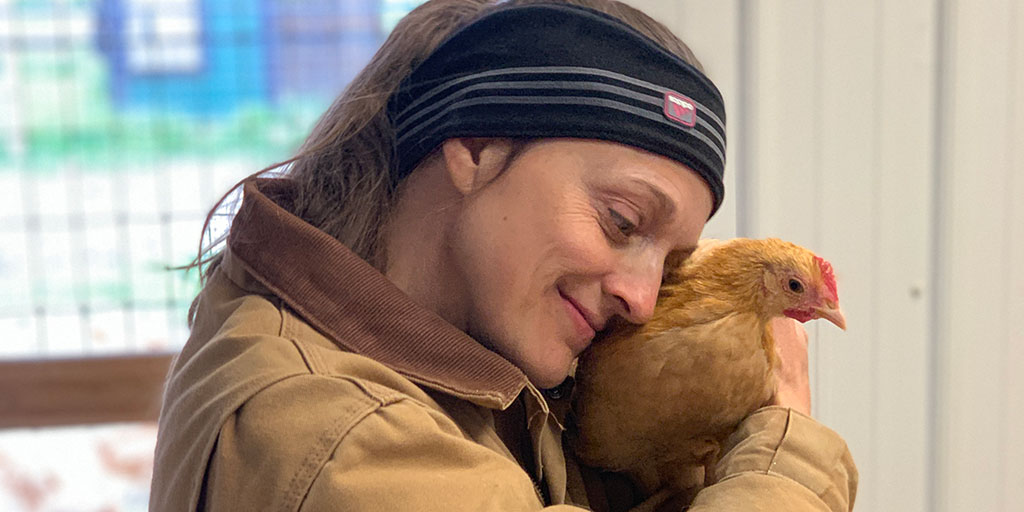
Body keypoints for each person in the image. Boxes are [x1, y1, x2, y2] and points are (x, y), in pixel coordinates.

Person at [150, 1, 858, 510]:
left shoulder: (473, 368)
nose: (644, 300)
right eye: (621, 222)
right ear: (478, 147)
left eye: (672, 260)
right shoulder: (350, 437)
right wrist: (786, 447)